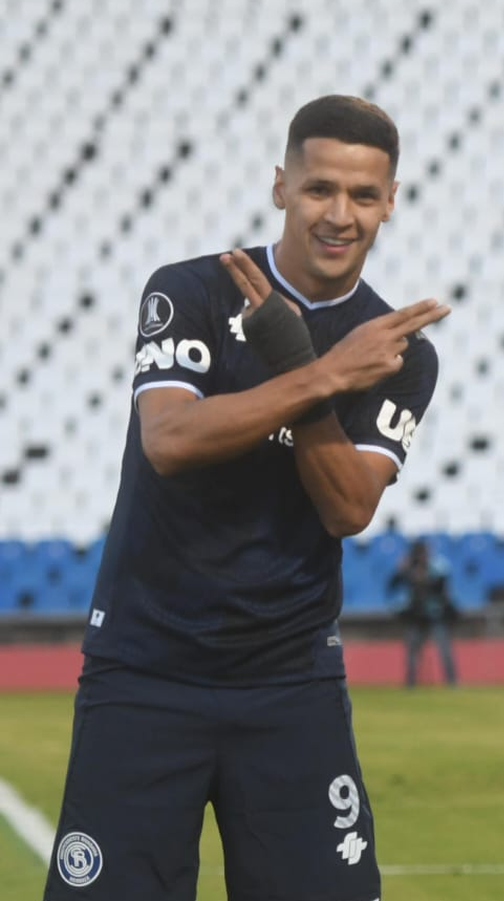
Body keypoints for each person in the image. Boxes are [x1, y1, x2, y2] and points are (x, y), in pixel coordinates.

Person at [43, 95, 446, 901]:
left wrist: (302, 368)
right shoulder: (189, 290)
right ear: (280, 187)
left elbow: (348, 509)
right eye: (319, 189)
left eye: (364, 196)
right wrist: (322, 371)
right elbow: (171, 441)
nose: (340, 214)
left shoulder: (400, 355)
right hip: (146, 666)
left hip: (290, 680)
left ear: (392, 201)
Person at [388, 539, 459, 687]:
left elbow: (442, 588)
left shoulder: (437, 567)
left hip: (435, 614)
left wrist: (425, 579)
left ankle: (452, 682)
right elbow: (392, 586)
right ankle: (411, 682)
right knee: (412, 651)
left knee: (444, 649)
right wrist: (401, 570)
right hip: (416, 615)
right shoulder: (408, 569)